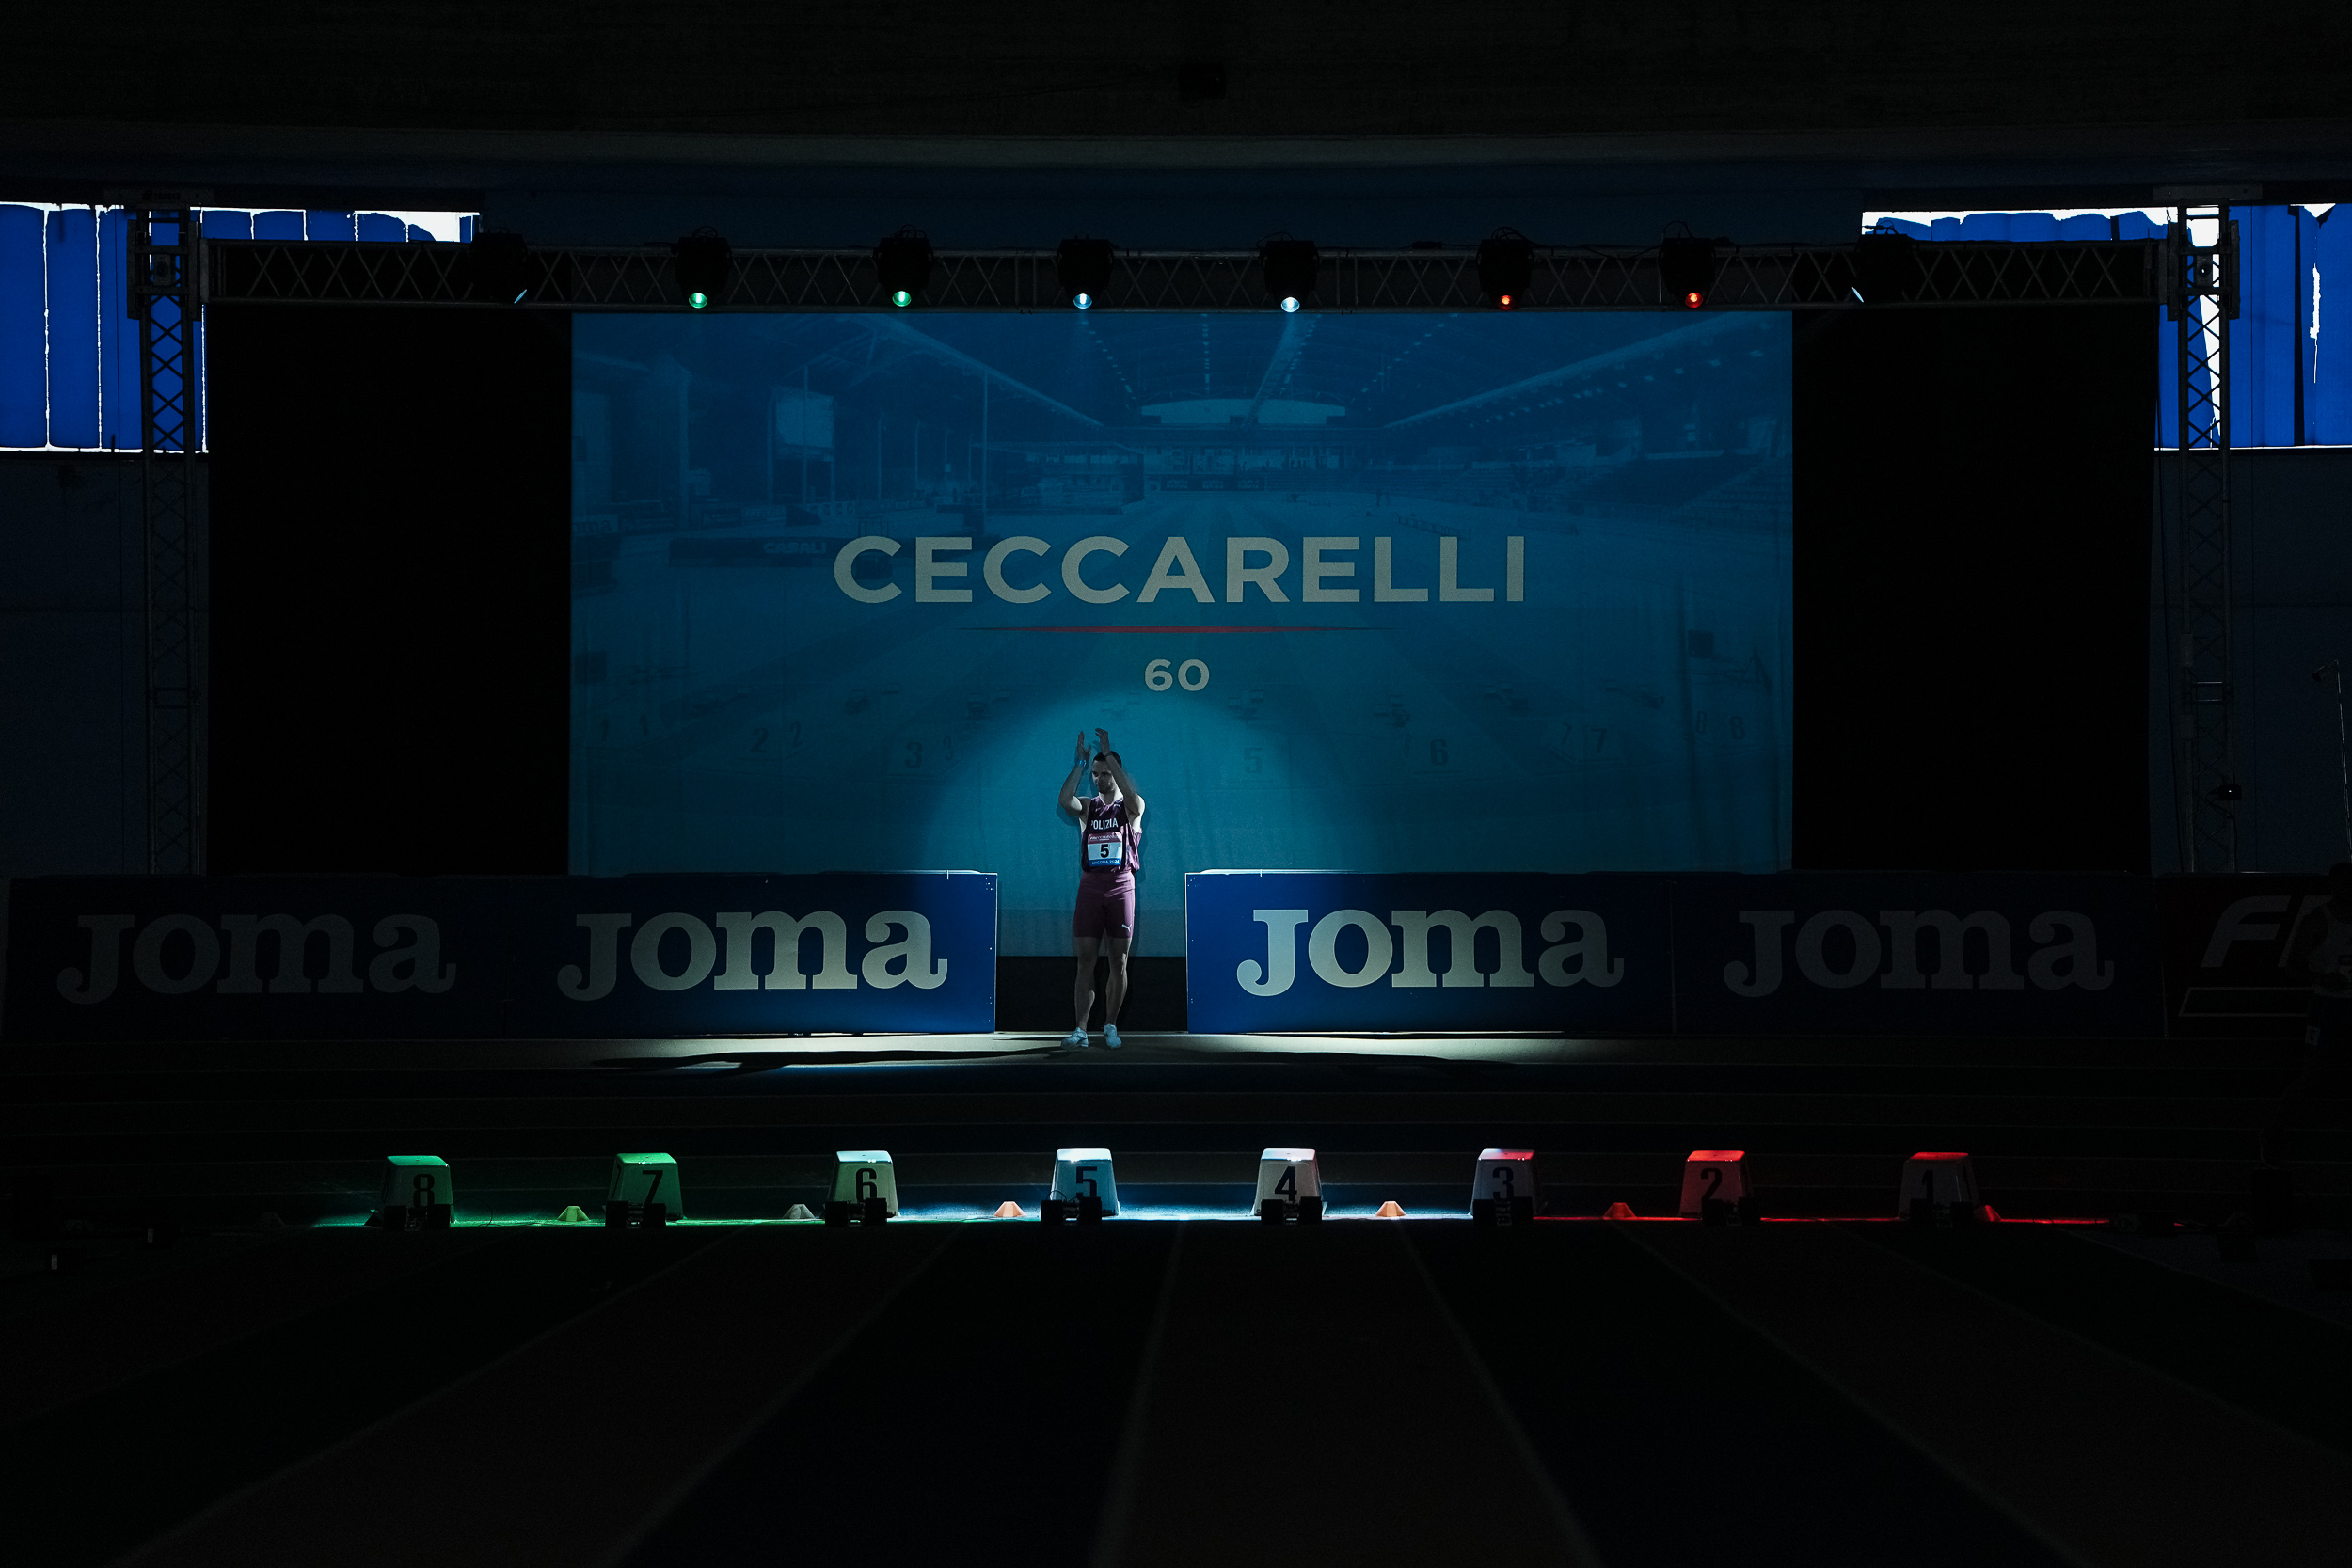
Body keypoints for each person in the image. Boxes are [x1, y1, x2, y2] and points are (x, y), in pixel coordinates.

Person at [1057, 727, 1145, 1048]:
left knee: (1118, 961)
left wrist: (1108, 755)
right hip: (1091, 888)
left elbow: (1132, 799)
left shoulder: (1132, 807)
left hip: (1121, 887)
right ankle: (1080, 1029)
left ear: (1115, 772)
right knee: (1085, 960)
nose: (1100, 780)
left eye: (1105, 774)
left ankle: (1110, 1025)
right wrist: (1081, 764)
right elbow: (1064, 801)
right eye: (1096, 775)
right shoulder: (1087, 807)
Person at [2265, 862, 2352, 1164]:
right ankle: (2273, 1131)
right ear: (2333, 886)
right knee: (2313, 1074)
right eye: (2345, 883)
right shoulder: (2317, 920)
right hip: (2328, 1004)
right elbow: (2292, 967)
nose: (2350, 889)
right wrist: (2323, 979)